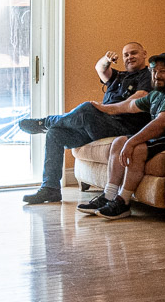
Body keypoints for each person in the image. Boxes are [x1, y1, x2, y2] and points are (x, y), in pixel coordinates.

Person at [18, 42, 153, 204]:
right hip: (102, 124)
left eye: (134, 53)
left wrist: (107, 109)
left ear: (144, 54)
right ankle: (50, 188)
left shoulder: (148, 75)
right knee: (55, 134)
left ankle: (45, 122)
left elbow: (139, 98)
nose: (129, 57)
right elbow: (100, 68)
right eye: (126, 55)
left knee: (88, 108)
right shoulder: (119, 76)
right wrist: (106, 59)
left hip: (123, 126)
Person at [78, 52, 165, 219]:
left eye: (163, 71)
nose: (157, 76)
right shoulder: (157, 94)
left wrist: (131, 142)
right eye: (154, 71)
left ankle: (123, 202)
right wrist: (102, 108)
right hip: (162, 138)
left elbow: (161, 123)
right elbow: (129, 106)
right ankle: (108, 195)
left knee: (137, 149)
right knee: (119, 142)